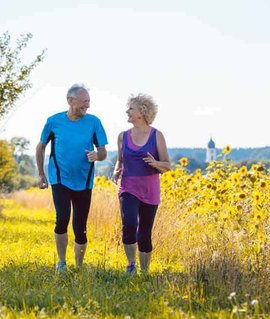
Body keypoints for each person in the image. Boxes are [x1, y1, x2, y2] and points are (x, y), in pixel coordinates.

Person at [36, 83, 108, 272]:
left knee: (80, 226)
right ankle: (61, 262)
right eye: (84, 102)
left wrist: (97, 156)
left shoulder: (94, 122)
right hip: (60, 178)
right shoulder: (54, 121)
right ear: (71, 101)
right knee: (62, 218)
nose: (88, 106)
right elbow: (40, 147)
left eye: (89, 102)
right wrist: (41, 174)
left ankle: (78, 266)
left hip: (84, 180)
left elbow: (103, 152)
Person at [112, 93, 170, 275]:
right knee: (129, 224)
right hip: (128, 187)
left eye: (131, 109)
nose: (127, 112)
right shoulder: (123, 136)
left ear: (142, 112)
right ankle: (131, 265)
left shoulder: (157, 135)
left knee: (145, 232)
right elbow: (120, 160)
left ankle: (145, 272)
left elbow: (167, 165)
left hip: (150, 190)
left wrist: (156, 164)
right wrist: (116, 170)